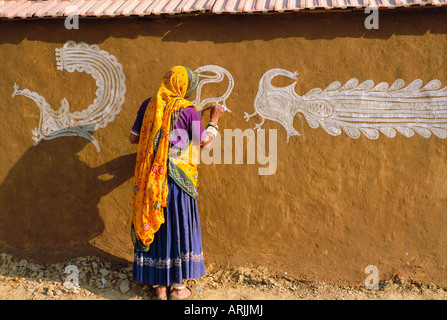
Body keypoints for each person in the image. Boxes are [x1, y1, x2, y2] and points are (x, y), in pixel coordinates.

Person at [129, 66, 224, 300]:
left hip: (151, 180)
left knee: (157, 227)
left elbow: (133, 138)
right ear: (185, 88)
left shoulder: (148, 105)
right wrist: (214, 120)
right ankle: (179, 288)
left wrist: (156, 141)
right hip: (177, 181)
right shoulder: (187, 110)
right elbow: (204, 143)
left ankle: (159, 289)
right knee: (178, 227)